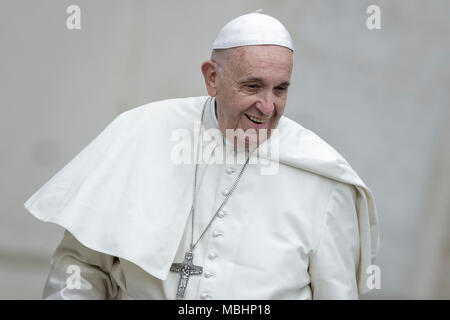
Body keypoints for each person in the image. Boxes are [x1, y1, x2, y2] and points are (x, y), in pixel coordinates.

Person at [24, 11, 379, 300]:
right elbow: (81, 266)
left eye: (280, 89)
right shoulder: (141, 133)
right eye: (252, 86)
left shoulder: (324, 179)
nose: (268, 106)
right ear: (212, 78)